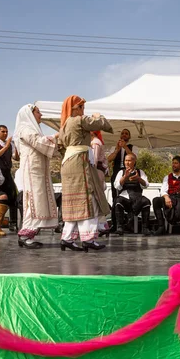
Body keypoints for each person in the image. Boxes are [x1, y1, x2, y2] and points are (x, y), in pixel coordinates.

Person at [59, 95, 113, 252]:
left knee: (73, 203)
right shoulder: (79, 120)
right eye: (81, 107)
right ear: (75, 109)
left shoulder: (63, 126)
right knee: (88, 200)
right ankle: (88, 238)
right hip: (79, 162)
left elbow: (60, 147)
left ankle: (67, 238)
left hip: (67, 163)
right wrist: (98, 116)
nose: (83, 110)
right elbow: (100, 124)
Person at [12, 104, 59, 249]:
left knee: (36, 201)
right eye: (38, 112)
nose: (41, 115)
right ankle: (26, 234)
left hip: (38, 170)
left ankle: (29, 234)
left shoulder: (31, 129)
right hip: (32, 171)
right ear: (30, 114)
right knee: (32, 201)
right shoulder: (25, 129)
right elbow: (39, 142)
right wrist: (57, 135)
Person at [0, 125, 20, 233]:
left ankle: (13, 223)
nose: (5, 134)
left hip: (7, 173)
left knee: (13, 197)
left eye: (6, 132)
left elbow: (16, 158)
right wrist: (6, 146)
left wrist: (16, 146)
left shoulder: (9, 144)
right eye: (3, 131)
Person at [107, 129, 138, 231]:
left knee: (129, 197)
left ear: (129, 137)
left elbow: (134, 158)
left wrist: (125, 147)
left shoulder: (133, 147)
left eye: (126, 133)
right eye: (122, 133)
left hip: (129, 175)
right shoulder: (114, 147)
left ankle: (129, 223)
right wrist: (117, 149)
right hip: (116, 174)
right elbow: (109, 159)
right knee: (115, 198)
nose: (124, 135)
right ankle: (115, 224)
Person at [113, 154, 152, 236]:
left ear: (134, 161)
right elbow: (117, 186)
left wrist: (138, 178)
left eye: (129, 160)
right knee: (118, 201)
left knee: (146, 202)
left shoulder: (140, 172)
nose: (127, 163)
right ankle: (119, 227)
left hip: (137, 196)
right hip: (125, 196)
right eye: (126, 160)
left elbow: (146, 185)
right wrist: (124, 177)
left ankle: (145, 228)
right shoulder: (121, 172)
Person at [152, 156, 180, 235]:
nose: (173, 165)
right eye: (173, 163)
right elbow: (163, 191)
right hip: (171, 198)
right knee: (156, 200)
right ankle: (161, 226)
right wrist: (166, 197)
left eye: (176, 163)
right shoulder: (167, 177)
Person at [91, 130, 109, 236]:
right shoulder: (96, 142)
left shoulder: (95, 143)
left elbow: (94, 160)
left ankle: (100, 224)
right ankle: (102, 224)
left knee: (96, 197)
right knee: (97, 197)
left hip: (96, 172)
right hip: (98, 172)